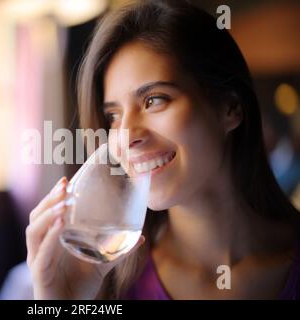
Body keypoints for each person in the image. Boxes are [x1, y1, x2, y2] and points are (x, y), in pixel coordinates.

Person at [25, 0, 300, 300]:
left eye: (154, 100)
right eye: (113, 116)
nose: (126, 137)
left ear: (230, 107)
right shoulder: (106, 282)